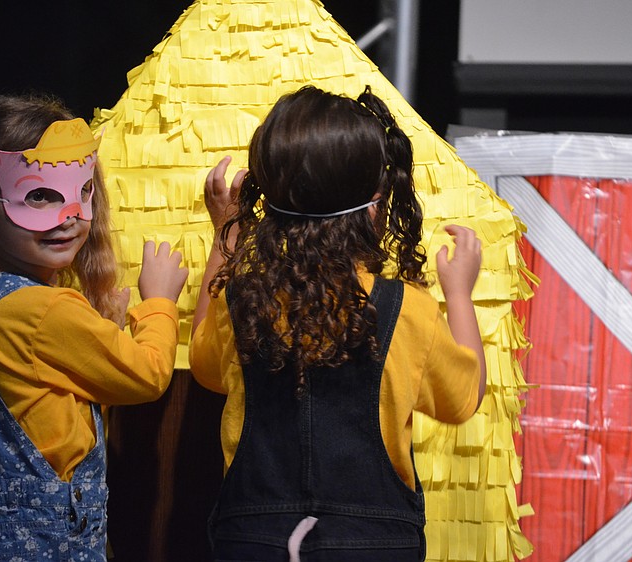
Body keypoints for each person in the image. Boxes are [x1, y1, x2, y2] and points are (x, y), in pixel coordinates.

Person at [189, 85, 487, 561]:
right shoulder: (406, 307)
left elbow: (205, 368)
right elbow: (463, 398)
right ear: (375, 204)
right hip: (372, 542)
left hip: (255, 538)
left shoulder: (243, 299)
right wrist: (458, 294)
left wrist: (225, 237)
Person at [0, 93, 188, 561]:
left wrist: (100, 331)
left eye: (84, 191)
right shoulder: (43, 310)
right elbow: (147, 374)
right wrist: (158, 302)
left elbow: (51, 411)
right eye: (39, 196)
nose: (70, 215)